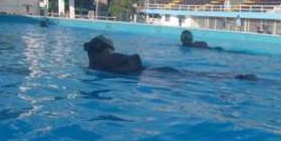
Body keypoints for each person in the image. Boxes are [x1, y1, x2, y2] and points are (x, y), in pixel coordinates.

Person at [83, 35, 256, 80]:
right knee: (192, 76)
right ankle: (235, 77)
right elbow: (135, 60)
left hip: (147, 77)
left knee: (192, 77)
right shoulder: (109, 59)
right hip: (150, 75)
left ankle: (232, 77)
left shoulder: (93, 67)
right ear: (105, 49)